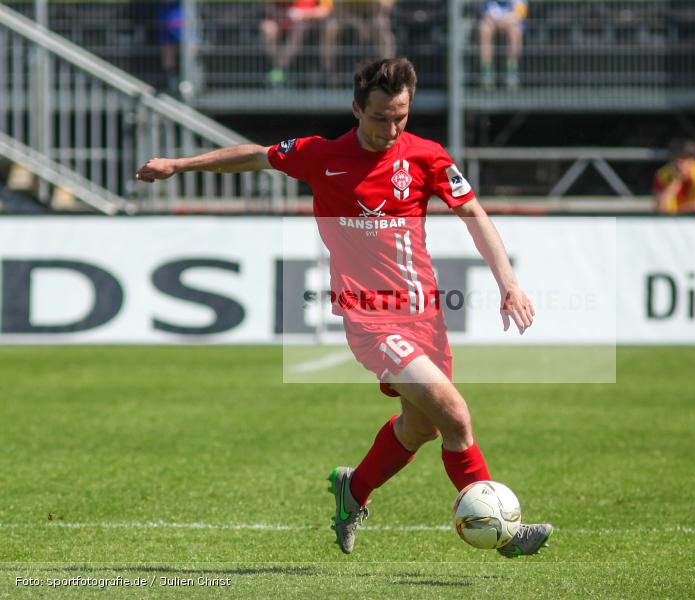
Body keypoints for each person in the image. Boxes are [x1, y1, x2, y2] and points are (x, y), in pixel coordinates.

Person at [134, 58, 553, 558]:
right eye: (381, 117)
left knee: (420, 427)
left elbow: (473, 214)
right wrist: (179, 165)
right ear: (357, 109)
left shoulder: (427, 157)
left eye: (401, 116)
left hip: (425, 315)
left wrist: (509, 283)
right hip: (369, 318)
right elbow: (254, 156)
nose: (392, 128)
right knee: (455, 414)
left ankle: (352, 492)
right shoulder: (321, 156)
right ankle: (503, 532)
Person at [260, 1, 334, 86]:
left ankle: (280, 69)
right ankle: (279, 70)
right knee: (268, 28)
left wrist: (303, 14)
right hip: (283, 19)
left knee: (300, 28)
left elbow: (325, 11)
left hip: (307, 23)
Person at [322, 0, 396, 85]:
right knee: (331, 28)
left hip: (372, 15)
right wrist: (358, 24)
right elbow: (337, 7)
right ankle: (329, 73)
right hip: (346, 16)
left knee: (385, 36)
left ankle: (386, 72)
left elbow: (386, 5)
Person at [652, 139, 695, 216]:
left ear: (694, 161)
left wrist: (675, 211)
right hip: (673, 221)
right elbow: (660, 208)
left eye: (684, 160)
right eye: (677, 160)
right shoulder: (661, 175)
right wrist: (674, 184)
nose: (680, 165)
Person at [479, 0, 528, 89]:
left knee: (516, 32)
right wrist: (495, 19)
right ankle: (487, 73)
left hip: (511, 21)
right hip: (492, 21)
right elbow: (485, 11)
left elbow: (521, 12)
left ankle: (512, 73)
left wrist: (506, 20)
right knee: (484, 30)